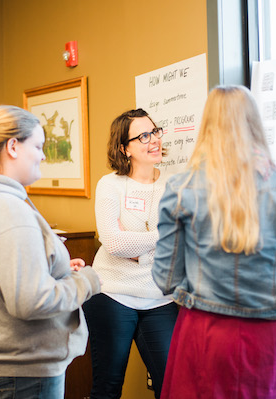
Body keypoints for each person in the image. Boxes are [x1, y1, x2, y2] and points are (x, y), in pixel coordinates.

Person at [0, 105, 101, 399]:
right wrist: (86, 281)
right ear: (13, 146)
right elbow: (30, 301)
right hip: (19, 371)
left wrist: (56, 270)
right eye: (38, 146)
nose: (42, 155)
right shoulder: (8, 212)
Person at [152, 85, 276, 399]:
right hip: (267, 334)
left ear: (207, 126)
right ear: (254, 123)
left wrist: (198, 293)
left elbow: (165, 278)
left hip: (205, 333)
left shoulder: (181, 189)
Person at [83, 109, 178, 398]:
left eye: (155, 131)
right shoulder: (110, 185)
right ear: (125, 148)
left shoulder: (175, 185)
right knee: (108, 387)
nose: (154, 140)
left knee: (173, 385)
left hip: (160, 296)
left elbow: (182, 242)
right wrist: (159, 239)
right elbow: (113, 243)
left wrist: (139, 247)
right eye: (143, 136)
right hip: (112, 293)